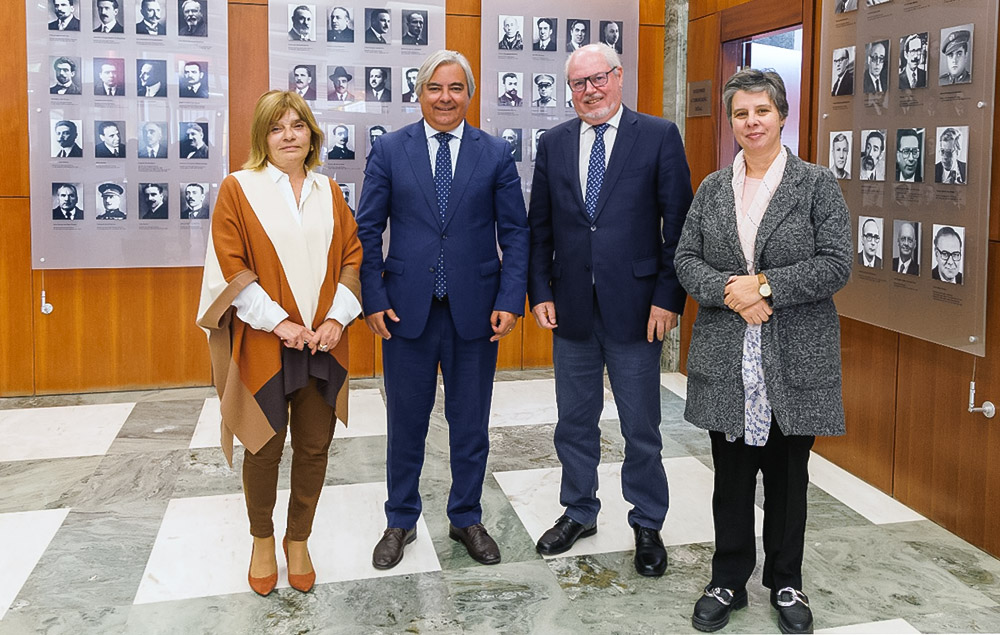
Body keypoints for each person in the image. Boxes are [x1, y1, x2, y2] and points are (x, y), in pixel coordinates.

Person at [674, 68, 851, 635]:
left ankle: (786, 580)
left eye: (762, 111)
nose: (752, 123)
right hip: (729, 357)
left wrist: (765, 286)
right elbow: (686, 259)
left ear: (782, 115)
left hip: (795, 357)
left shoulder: (816, 184)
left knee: (788, 478)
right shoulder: (711, 188)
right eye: (741, 114)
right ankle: (726, 579)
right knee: (729, 479)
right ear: (731, 122)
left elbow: (836, 263)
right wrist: (733, 292)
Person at [356, 49, 529, 571]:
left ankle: (466, 516)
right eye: (435, 87)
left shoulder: (494, 153)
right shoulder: (390, 149)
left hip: (476, 311)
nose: (445, 97)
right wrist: (373, 298)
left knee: (470, 423)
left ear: (469, 94)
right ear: (419, 93)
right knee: (405, 422)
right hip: (405, 311)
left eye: (456, 88)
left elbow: (515, 232)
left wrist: (510, 299)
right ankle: (400, 520)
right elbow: (367, 230)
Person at [527, 43, 693, 577]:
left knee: (641, 425)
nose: (590, 90)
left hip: (638, 309)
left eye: (598, 78)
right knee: (574, 421)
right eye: (579, 83)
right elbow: (539, 228)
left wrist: (668, 297)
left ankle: (647, 521)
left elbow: (679, 226)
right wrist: (540, 291)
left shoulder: (658, 136)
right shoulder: (554, 143)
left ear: (619, 77)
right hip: (571, 308)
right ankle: (579, 511)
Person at [197, 89, 362, 597]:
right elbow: (231, 267)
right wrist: (279, 323)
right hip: (266, 343)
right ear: (262, 138)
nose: (288, 135)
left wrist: (336, 319)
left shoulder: (328, 190)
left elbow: (352, 257)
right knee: (264, 447)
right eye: (276, 127)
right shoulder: (239, 188)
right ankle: (263, 539)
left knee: (314, 446)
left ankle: (299, 539)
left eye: (297, 125)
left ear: (311, 134)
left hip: (321, 343)